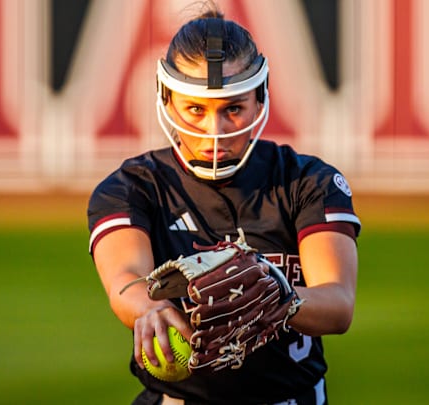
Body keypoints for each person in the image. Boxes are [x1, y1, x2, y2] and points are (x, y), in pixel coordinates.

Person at [87, 3, 360, 404]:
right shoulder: (133, 187)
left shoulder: (307, 181)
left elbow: (338, 304)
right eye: (196, 109)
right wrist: (148, 307)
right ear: (168, 99)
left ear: (259, 98)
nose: (214, 131)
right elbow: (125, 277)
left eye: (233, 109)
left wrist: (278, 297)